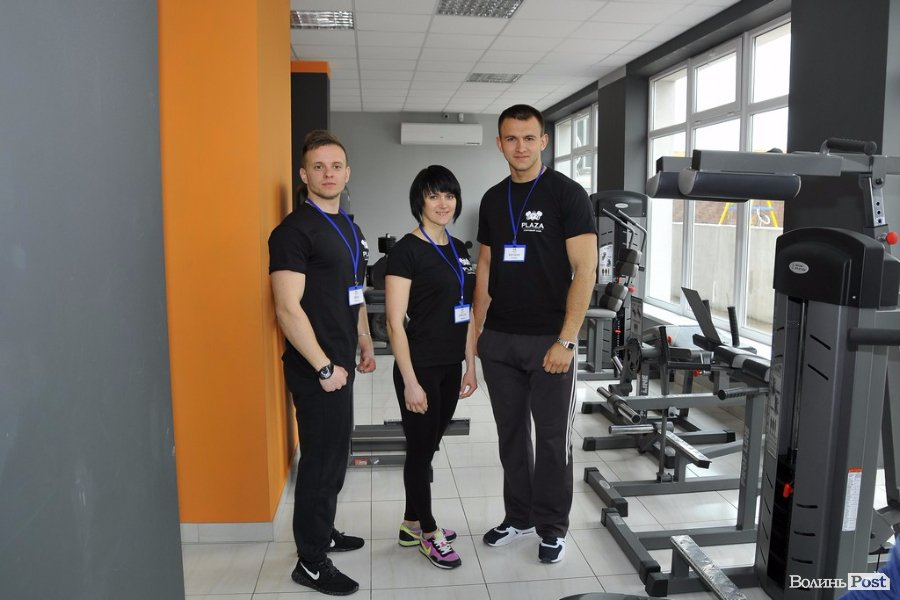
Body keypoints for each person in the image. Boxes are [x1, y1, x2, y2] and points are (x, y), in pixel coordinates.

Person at [472, 104, 598, 564]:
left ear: (543, 141)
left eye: (529, 138)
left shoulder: (568, 195)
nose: (520, 147)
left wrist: (566, 340)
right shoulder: (492, 199)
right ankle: (519, 516)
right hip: (500, 340)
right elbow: (486, 266)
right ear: (499, 143)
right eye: (511, 138)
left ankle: (552, 526)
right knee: (510, 436)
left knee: (551, 439)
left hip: (550, 341)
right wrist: (478, 335)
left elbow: (586, 270)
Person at [268, 129, 376, 595]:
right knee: (319, 461)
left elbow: (353, 293)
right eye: (318, 167)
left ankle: (323, 530)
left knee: (335, 456)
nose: (328, 174)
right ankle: (310, 561)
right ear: (303, 174)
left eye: (335, 166)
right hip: (318, 369)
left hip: (342, 361)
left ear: (347, 173)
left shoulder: (350, 228)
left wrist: (364, 339)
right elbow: (286, 308)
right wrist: (324, 368)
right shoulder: (293, 232)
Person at [385, 165, 478, 569]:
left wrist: (470, 366)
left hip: (451, 365)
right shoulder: (406, 251)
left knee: (427, 448)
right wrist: (410, 381)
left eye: (449, 195)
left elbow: (468, 312)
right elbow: (394, 322)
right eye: (434, 195)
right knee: (420, 453)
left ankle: (410, 523)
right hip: (420, 367)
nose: (443, 203)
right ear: (419, 201)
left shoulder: (459, 249)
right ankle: (428, 531)